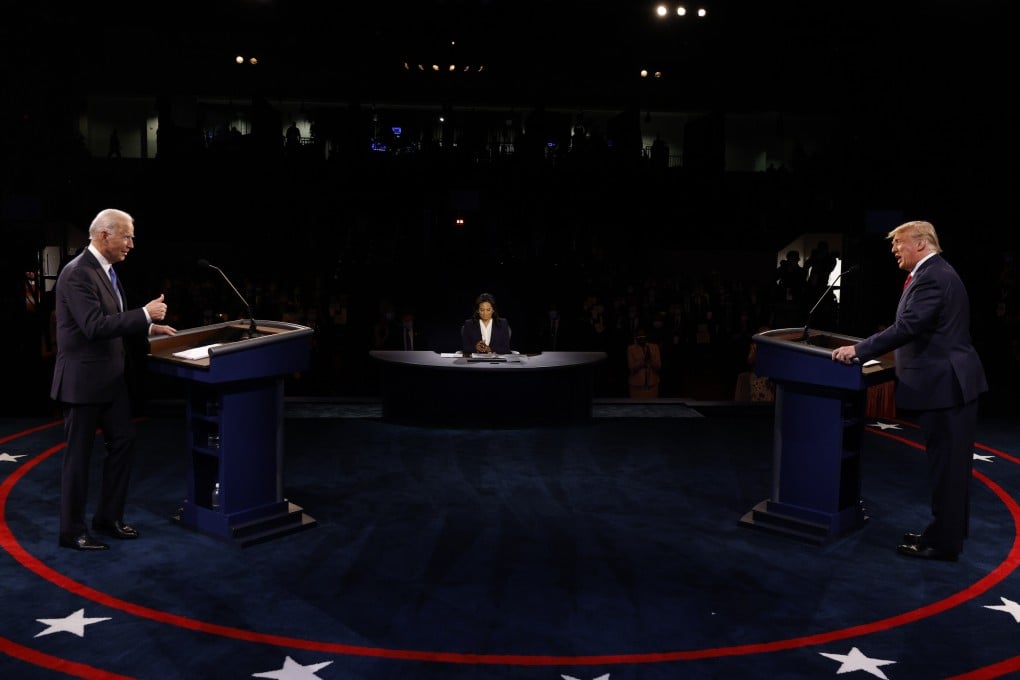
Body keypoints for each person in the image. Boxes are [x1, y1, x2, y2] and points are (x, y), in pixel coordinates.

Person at [831, 220, 987, 562]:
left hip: (946, 387)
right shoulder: (936, 272)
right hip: (949, 385)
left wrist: (859, 350)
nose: (893, 249)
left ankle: (943, 544)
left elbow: (909, 326)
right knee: (949, 467)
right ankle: (945, 533)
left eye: (898, 243)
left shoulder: (933, 276)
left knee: (947, 468)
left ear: (921, 242)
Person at [50, 208, 177, 551]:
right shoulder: (77, 273)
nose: (131, 244)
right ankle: (71, 532)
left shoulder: (105, 272)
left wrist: (148, 327)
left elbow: (113, 318)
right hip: (82, 382)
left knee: (123, 443)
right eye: (127, 236)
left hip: (110, 380)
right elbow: (93, 326)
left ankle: (107, 518)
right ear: (104, 235)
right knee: (78, 458)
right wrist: (143, 314)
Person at [627, 329, 662, 399]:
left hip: (652, 384)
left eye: (643, 336)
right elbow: (631, 367)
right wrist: (643, 361)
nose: (641, 338)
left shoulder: (654, 347)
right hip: (636, 384)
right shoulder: (631, 349)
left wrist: (650, 359)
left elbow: (658, 366)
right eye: (639, 336)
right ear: (636, 337)